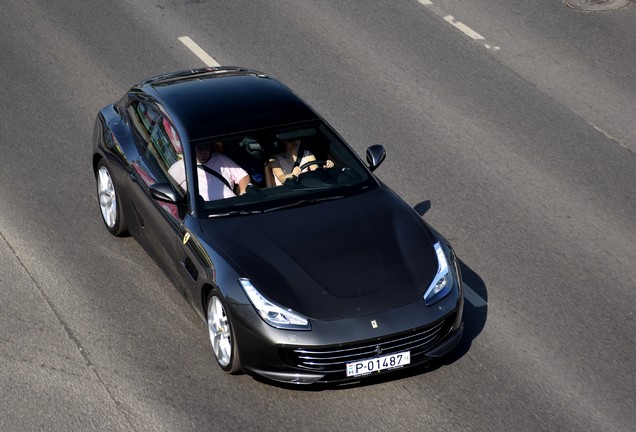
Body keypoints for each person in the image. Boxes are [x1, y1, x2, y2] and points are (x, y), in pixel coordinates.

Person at [169, 141, 250, 201]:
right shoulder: (178, 168)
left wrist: (243, 194)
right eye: (200, 147)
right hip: (205, 217)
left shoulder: (220, 159)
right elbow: (169, 194)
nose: (204, 151)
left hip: (235, 210)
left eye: (206, 146)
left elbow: (243, 176)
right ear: (190, 148)